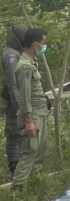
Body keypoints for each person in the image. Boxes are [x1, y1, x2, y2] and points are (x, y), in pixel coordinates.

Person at [12, 28, 49, 189]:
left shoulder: (32, 63)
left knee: (39, 151)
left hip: (40, 112)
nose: (43, 47)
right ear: (35, 44)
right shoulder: (25, 66)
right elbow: (25, 96)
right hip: (32, 115)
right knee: (30, 151)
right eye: (43, 43)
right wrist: (29, 121)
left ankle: (35, 186)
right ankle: (18, 188)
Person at [1, 25, 27, 176]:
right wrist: (20, 106)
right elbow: (13, 84)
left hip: (16, 98)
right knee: (14, 133)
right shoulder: (11, 56)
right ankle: (15, 167)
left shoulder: (17, 53)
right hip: (13, 101)